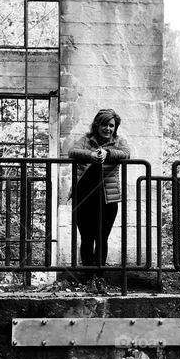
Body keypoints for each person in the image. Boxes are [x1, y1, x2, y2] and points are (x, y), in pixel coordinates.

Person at [68, 109, 130, 293]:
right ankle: (88, 280)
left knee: (102, 238)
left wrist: (107, 152)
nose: (108, 129)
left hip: (107, 199)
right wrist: (91, 155)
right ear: (97, 125)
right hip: (84, 196)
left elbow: (126, 153)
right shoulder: (86, 140)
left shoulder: (119, 142)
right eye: (104, 124)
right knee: (86, 238)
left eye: (111, 125)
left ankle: (100, 278)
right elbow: (72, 151)